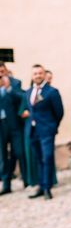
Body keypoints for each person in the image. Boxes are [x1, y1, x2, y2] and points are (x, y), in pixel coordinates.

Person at [26, 64, 64, 200]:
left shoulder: (52, 92)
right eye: (35, 73)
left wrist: (53, 126)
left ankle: (47, 188)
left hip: (47, 130)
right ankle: (41, 187)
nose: (37, 75)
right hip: (33, 131)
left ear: (44, 74)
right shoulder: (28, 91)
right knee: (38, 159)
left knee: (47, 158)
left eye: (40, 73)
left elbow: (59, 112)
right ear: (32, 76)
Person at [0, 62, 26, 194]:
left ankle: (26, 180)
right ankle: (6, 185)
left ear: (6, 71)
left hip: (15, 125)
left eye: (2, 71)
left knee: (20, 152)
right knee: (2, 156)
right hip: (1, 126)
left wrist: (8, 89)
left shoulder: (15, 83)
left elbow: (22, 98)